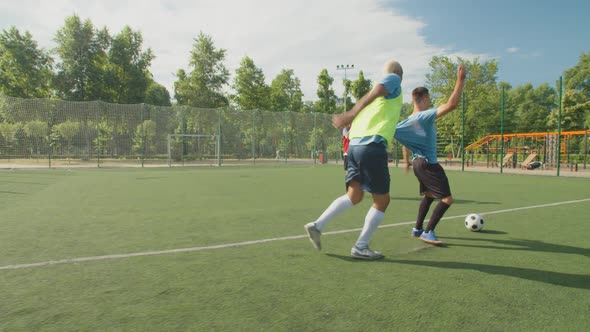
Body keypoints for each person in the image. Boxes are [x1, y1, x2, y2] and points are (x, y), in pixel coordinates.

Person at [304, 60, 404, 260]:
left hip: (355, 148)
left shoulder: (376, 102)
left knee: (354, 195)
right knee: (382, 200)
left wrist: (351, 118)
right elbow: (376, 91)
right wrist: (349, 114)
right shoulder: (392, 80)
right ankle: (361, 246)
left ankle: (317, 225)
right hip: (371, 147)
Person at [393, 64, 467, 245]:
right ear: (425, 98)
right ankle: (428, 231)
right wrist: (460, 79)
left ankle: (417, 229)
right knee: (447, 199)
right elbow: (451, 105)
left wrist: (406, 162)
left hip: (418, 163)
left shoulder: (408, 121)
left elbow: (404, 143)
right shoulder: (424, 116)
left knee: (429, 195)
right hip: (428, 164)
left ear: (412, 100)